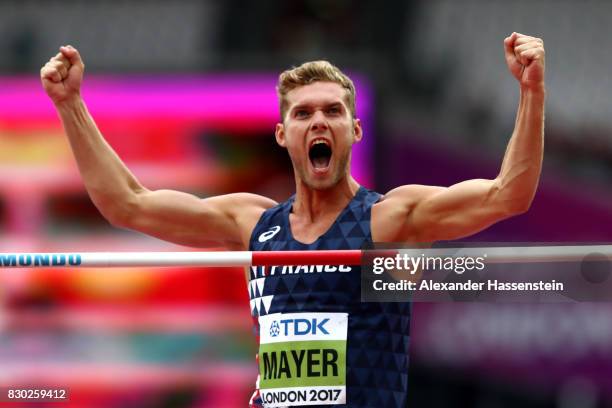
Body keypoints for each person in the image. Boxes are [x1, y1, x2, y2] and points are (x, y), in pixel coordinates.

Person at [40, 32, 545, 407]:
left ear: (355, 130)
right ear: (283, 134)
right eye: (303, 114)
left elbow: (508, 195)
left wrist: (532, 92)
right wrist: (70, 105)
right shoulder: (251, 223)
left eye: (332, 111)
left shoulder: (394, 219)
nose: (319, 121)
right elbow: (127, 203)